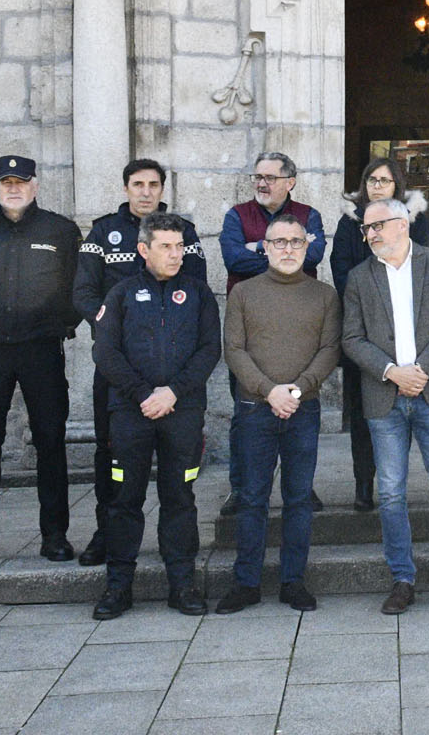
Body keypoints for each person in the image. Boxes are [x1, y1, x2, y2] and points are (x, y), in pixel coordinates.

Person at [341, 197, 429, 614]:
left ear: (401, 224)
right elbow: (351, 338)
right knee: (390, 493)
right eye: (366, 229)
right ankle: (402, 579)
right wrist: (391, 372)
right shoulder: (359, 277)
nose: (371, 234)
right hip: (385, 398)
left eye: (377, 226)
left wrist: (420, 369)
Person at [0, 155, 81, 567]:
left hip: (42, 350)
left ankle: (55, 535)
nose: (13, 188)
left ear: (35, 185)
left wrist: (57, 324)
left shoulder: (60, 231)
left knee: (50, 439)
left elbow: (77, 289)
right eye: (6, 181)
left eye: (21, 181)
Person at [90, 213, 220, 620]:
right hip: (131, 414)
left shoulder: (199, 294)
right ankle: (118, 587)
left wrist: (173, 392)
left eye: (179, 246)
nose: (175, 254)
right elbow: (105, 353)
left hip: (181, 414)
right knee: (124, 499)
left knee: (179, 498)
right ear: (144, 250)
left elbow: (209, 351)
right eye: (166, 246)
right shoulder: (122, 294)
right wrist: (145, 394)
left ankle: (182, 584)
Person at [218, 215, 341, 614]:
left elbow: (329, 350)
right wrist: (269, 390)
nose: (287, 249)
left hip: (303, 409)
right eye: (279, 242)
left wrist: (298, 388)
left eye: (295, 242)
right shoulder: (243, 294)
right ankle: (246, 582)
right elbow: (234, 350)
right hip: (255, 408)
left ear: (307, 247)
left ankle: (293, 581)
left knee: (299, 497)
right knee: (252, 497)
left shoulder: (324, 295)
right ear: (264, 247)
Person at [221, 152, 327, 517]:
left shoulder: (309, 214)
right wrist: (283, 253)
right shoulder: (237, 215)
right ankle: (241, 488)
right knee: (243, 413)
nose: (261, 183)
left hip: (301, 330)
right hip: (252, 331)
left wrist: (258, 249)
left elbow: (313, 258)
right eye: (258, 177)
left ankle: (302, 487)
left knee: (301, 415)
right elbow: (232, 259)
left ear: (290, 181)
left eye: (270, 177)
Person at [331, 157, 429, 512]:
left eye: (384, 181)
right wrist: (371, 301)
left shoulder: (414, 222)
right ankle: (363, 483)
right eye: (371, 179)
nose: (376, 185)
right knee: (363, 414)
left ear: (396, 186)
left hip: (407, 330)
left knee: (402, 412)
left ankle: (395, 481)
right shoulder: (349, 223)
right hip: (363, 330)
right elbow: (340, 269)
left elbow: (426, 271)